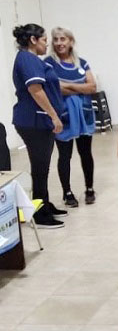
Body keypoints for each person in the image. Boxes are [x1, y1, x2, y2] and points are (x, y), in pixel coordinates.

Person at [12, 23, 68, 228]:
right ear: (33, 40)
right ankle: (39, 213)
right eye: (44, 40)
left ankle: (44, 203)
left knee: (43, 167)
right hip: (33, 121)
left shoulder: (32, 59)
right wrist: (54, 116)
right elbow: (36, 90)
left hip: (38, 121)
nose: (47, 44)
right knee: (40, 167)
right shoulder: (27, 59)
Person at [44, 27, 97, 207]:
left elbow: (92, 87)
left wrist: (67, 86)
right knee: (64, 155)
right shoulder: (49, 63)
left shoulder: (82, 63)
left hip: (84, 114)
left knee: (86, 153)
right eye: (56, 39)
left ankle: (89, 189)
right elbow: (53, 87)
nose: (59, 43)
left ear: (71, 41)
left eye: (63, 39)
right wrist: (79, 86)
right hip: (63, 116)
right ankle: (67, 193)